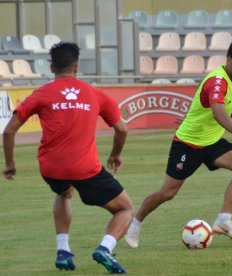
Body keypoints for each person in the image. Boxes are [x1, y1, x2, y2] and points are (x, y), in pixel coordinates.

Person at [2, 42, 135, 274]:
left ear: (52, 67)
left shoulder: (41, 93)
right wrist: (115, 154)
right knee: (126, 209)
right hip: (86, 168)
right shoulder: (95, 93)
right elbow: (122, 129)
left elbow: (8, 131)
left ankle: (63, 251)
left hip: (51, 167)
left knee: (64, 191)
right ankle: (105, 248)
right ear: (76, 67)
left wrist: (10, 164)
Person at [124, 40, 232, 248]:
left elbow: (214, 109)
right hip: (188, 144)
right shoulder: (217, 81)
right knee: (167, 193)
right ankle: (135, 222)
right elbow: (218, 111)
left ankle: (223, 220)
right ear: (229, 60)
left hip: (212, 142)